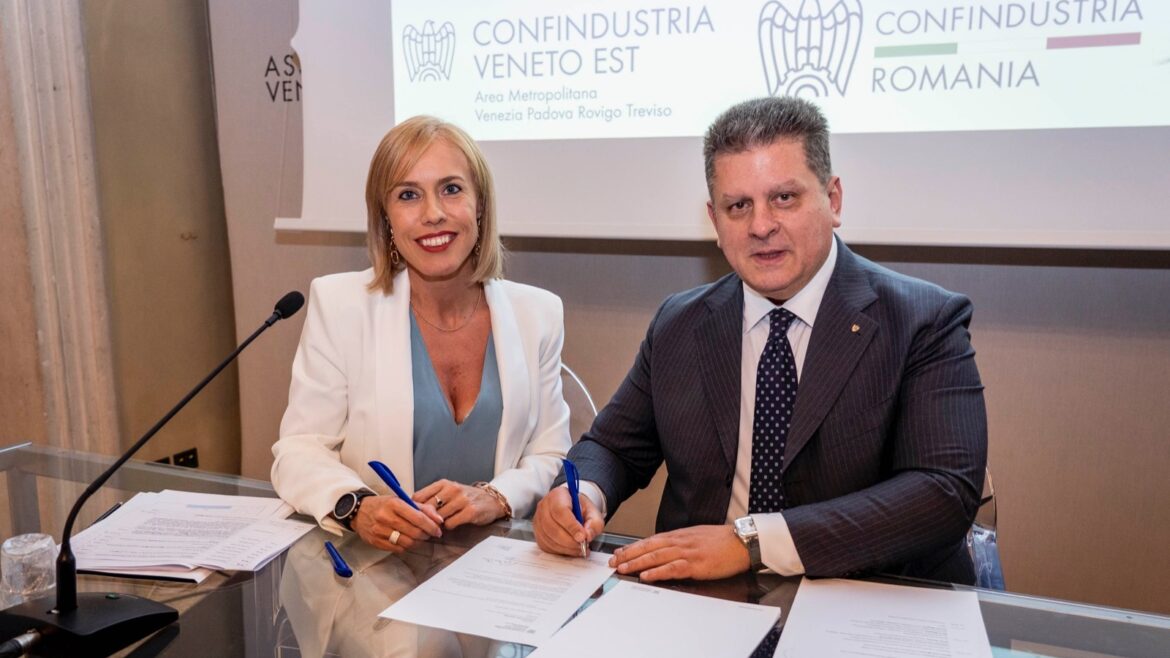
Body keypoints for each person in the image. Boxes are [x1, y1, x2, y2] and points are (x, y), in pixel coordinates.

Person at [533, 96, 988, 585]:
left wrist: (753, 542)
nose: (761, 226)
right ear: (715, 221)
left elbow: (943, 492)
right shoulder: (680, 323)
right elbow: (613, 447)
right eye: (738, 206)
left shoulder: (924, 320)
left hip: (867, 594)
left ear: (833, 200)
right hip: (704, 601)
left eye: (784, 198)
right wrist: (580, 495)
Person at [272, 115, 572, 552]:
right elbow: (299, 450)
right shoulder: (339, 305)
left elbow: (551, 455)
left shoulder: (538, 313)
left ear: (480, 205)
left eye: (451, 189)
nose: (433, 214)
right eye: (408, 195)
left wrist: (497, 496)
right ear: (386, 217)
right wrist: (357, 506)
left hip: (494, 570)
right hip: (374, 573)